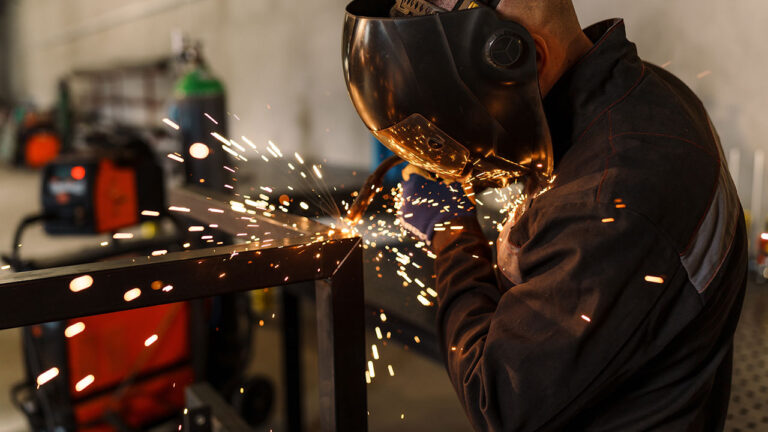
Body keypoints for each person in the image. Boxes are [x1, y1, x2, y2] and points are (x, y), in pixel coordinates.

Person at [386, 0, 748, 430]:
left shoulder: (611, 200)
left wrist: (449, 231)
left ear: (527, 58)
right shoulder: (643, 93)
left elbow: (496, 400)